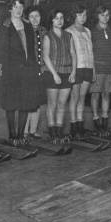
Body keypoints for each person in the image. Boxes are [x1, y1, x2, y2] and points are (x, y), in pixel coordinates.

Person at [0, 0, 40, 145]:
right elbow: (1, 51)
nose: (19, 9)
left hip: (28, 71)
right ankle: (12, 135)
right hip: (12, 72)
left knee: (25, 103)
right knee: (11, 104)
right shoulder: (5, 26)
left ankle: (21, 135)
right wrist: (5, 71)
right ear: (10, 9)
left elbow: (32, 50)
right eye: (15, 7)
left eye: (21, 6)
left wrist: (34, 68)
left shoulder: (28, 25)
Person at [42, 9, 76, 140]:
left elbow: (73, 54)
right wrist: (55, 74)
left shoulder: (69, 35)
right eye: (56, 18)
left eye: (61, 18)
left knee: (62, 103)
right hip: (52, 73)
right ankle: (52, 131)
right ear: (52, 20)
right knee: (52, 103)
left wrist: (73, 72)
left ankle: (59, 129)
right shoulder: (47, 36)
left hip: (66, 72)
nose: (59, 20)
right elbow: (45, 56)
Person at [66, 4, 94, 137]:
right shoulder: (69, 31)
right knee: (75, 97)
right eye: (80, 15)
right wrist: (72, 71)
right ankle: (73, 127)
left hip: (88, 67)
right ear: (74, 16)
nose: (83, 18)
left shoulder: (88, 31)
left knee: (82, 97)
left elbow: (91, 52)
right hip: (77, 68)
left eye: (85, 15)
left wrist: (93, 69)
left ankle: (80, 125)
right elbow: (70, 53)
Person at [90, 6, 111, 134]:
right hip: (98, 68)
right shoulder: (92, 32)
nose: (105, 17)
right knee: (95, 94)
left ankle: (105, 119)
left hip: (110, 68)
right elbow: (90, 52)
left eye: (107, 15)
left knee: (106, 94)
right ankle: (96, 119)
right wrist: (93, 69)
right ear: (97, 16)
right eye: (102, 15)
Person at [24, 6, 47, 139]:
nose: (34, 19)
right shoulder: (25, 31)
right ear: (27, 18)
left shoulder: (44, 31)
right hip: (29, 71)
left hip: (42, 70)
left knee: (38, 101)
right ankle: (25, 130)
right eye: (31, 16)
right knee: (28, 101)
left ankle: (33, 130)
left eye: (37, 16)